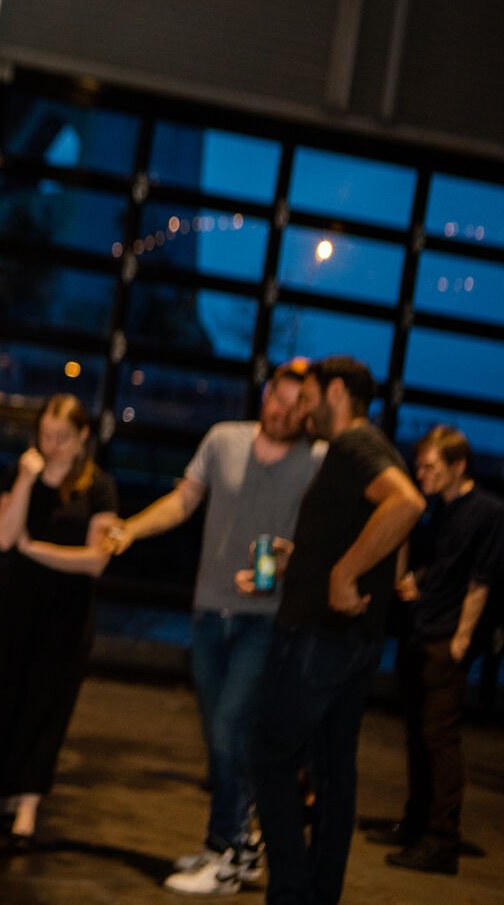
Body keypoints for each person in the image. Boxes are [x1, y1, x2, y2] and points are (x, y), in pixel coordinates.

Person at [107, 361, 323, 894]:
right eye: (277, 397)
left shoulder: (319, 460)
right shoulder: (224, 439)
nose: (282, 410)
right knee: (219, 734)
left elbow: (331, 538)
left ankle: (231, 849)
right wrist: (130, 529)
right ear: (265, 394)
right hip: (209, 612)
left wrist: (293, 563)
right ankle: (229, 843)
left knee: (230, 728)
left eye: (296, 403)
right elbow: (183, 501)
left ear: (310, 410)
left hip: (266, 620)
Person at [242, 356, 425, 905]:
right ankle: (318, 894)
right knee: (332, 773)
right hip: (352, 639)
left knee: (270, 757)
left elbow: (407, 504)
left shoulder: (353, 445)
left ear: (336, 392)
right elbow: (388, 529)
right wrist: (306, 561)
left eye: (308, 397)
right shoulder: (372, 448)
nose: (302, 409)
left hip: (319, 638)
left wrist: (344, 574)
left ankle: (291, 892)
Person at [0, 393, 119, 846]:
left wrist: (37, 551)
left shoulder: (99, 486)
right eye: (46, 435)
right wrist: (27, 481)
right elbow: (3, 536)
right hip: (18, 605)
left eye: (62, 437)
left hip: (67, 612)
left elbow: (96, 560)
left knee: (47, 705)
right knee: (7, 696)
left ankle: (28, 805)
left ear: (83, 436)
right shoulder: (23, 472)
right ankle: (5, 789)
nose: (52, 445)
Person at [362, 425, 503, 874]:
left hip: (445, 640)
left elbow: (482, 580)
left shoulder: (487, 511)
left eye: (429, 467)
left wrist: (460, 641)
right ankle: (418, 823)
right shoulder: (440, 509)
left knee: (440, 740)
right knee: (420, 735)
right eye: (419, 466)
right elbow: (441, 565)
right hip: (422, 631)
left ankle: (442, 840)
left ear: (458, 466)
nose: (420, 474)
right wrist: (415, 582)